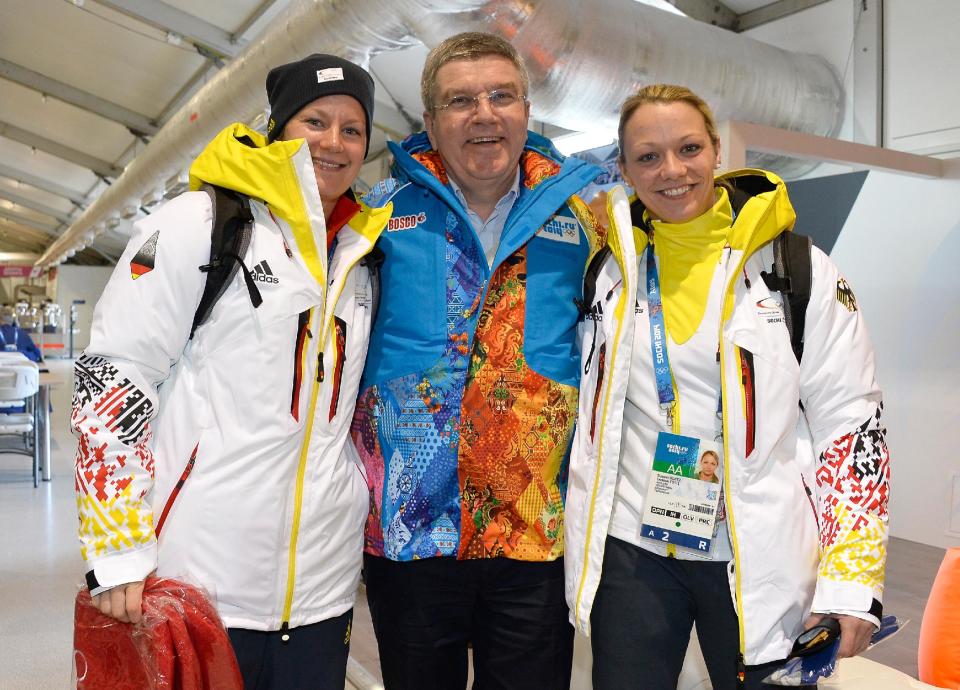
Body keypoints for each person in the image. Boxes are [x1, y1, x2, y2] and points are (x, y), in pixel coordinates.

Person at [72, 54, 389, 689]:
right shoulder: (205, 224)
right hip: (201, 581)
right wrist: (115, 550)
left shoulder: (362, 253)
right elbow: (113, 374)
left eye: (352, 129)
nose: (333, 142)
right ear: (278, 128)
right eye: (314, 121)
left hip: (322, 592)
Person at [564, 84, 890, 689]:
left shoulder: (796, 269)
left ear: (717, 151)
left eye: (688, 148)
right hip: (634, 549)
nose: (672, 171)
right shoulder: (609, 268)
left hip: (760, 557)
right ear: (625, 169)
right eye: (648, 157)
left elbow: (853, 423)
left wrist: (853, 578)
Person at [351, 31, 603, 690]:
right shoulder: (374, 217)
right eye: (460, 101)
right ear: (431, 123)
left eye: (501, 96)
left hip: (534, 532)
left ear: (526, 110)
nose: (484, 115)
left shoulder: (585, 221)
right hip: (410, 535)